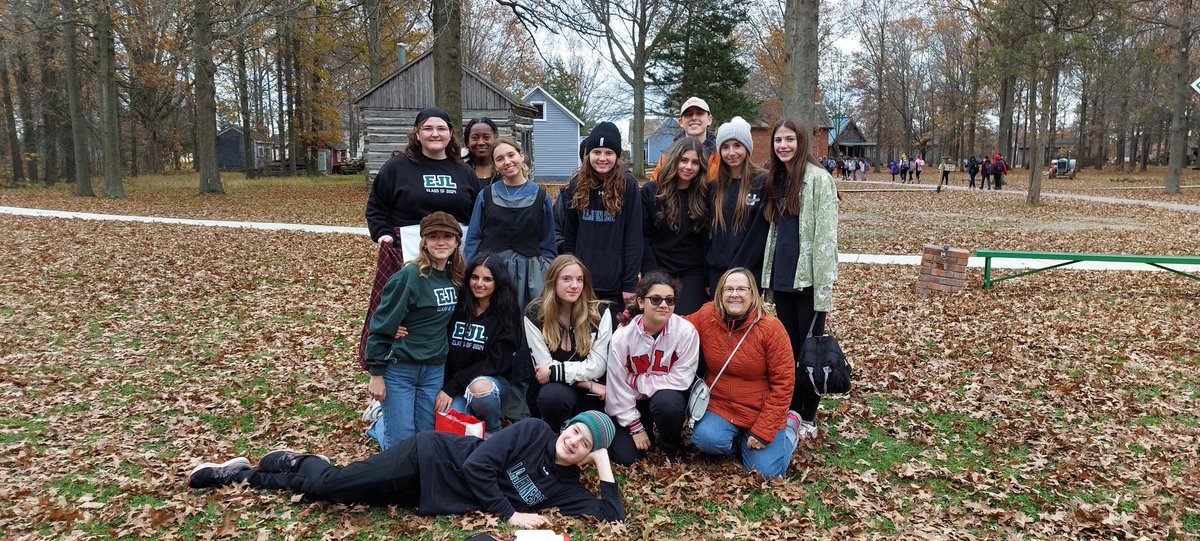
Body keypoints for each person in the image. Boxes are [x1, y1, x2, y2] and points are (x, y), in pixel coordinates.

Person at [186, 412, 625, 527]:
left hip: (426, 495)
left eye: (585, 445)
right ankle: (270, 467)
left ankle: (256, 469)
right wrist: (510, 514)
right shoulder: (532, 431)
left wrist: (604, 462)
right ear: (565, 427)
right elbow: (476, 466)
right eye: (575, 432)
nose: (573, 442)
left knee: (335, 493)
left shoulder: (566, 486)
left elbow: (611, 516)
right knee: (335, 486)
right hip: (427, 457)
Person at [359, 107, 480, 366]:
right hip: (408, 251)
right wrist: (382, 235)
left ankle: (447, 369)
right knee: (403, 314)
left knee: (449, 307)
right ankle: (389, 369)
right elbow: (376, 207)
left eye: (441, 128)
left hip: (455, 253)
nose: (434, 133)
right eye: (428, 128)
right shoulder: (397, 167)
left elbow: (475, 213)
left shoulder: (464, 171)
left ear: (450, 134)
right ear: (417, 133)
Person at [761, 118, 839, 439]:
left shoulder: (819, 180)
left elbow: (825, 237)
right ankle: (792, 410)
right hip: (783, 279)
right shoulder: (777, 180)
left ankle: (809, 416)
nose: (783, 146)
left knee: (811, 351)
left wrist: (823, 287)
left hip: (807, 281)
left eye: (789, 140)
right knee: (788, 350)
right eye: (778, 140)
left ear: (801, 142)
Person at [684, 268, 798, 479]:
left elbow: (784, 384)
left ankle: (790, 432)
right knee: (705, 440)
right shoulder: (708, 315)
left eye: (741, 289)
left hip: (760, 409)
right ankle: (736, 438)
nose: (734, 294)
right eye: (728, 289)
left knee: (765, 474)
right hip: (721, 405)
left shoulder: (771, 328)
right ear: (720, 294)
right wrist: (643, 320)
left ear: (753, 294)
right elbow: (679, 327)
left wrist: (763, 431)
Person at [365, 212, 466, 450]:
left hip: (433, 369)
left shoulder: (457, 278)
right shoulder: (410, 276)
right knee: (402, 442)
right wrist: (376, 374)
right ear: (424, 243)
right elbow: (381, 323)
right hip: (402, 367)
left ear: (456, 242)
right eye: (433, 237)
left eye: (447, 236)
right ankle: (381, 423)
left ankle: (384, 422)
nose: (441, 242)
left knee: (426, 437)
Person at [605, 272, 699, 465]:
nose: (663, 305)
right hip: (632, 401)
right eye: (656, 299)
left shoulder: (686, 331)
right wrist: (635, 427)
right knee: (627, 457)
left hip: (666, 398)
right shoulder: (622, 338)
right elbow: (617, 386)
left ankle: (670, 447)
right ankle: (643, 427)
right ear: (641, 302)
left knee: (667, 402)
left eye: (670, 300)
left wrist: (636, 381)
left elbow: (682, 379)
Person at [463, 137, 556, 309]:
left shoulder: (541, 196)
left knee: (526, 322)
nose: (507, 162)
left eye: (511, 155)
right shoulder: (486, 195)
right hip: (493, 273)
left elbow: (548, 241)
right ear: (495, 165)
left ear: (521, 156)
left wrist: (547, 273)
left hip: (530, 275)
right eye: (499, 159)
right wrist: (471, 270)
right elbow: (474, 237)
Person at [559, 122, 643, 309]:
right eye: (597, 152)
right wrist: (570, 277)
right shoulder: (576, 185)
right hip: (582, 281)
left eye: (609, 153)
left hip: (616, 281)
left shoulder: (628, 186)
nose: (602, 158)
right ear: (588, 155)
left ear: (617, 156)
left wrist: (629, 284)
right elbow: (570, 236)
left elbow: (634, 237)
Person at [525, 255, 614, 431]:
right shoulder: (535, 314)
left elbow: (598, 366)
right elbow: (542, 369)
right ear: (553, 281)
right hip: (558, 392)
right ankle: (553, 436)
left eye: (579, 279)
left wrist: (554, 371)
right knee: (553, 396)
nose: (575, 285)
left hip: (591, 396)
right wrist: (588, 383)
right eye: (567, 279)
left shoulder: (599, 313)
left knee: (620, 453)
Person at [641, 137, 711, 315]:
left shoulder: (704, 195)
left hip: (691, 273)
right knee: (660, 322)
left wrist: (708, 279)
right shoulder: (652, 192)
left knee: (686, 324)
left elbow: (706, 242)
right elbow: (643, 238)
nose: (688, 167)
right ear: (674, 161)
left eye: (695, 162)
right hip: (658, 269)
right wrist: (653, 276)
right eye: (683, 160)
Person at [706, 116, 770, 291]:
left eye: (737, 146)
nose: (731, 152)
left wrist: (738, 271)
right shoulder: (714, 187)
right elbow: (710, 236)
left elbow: (759, 234)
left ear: (747, 148)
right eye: (725, 147)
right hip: (717, 273)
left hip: (748, 273)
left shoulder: (762, 183)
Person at [649, 96, 720, 182]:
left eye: (700, 113)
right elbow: (654, 188)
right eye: (688, 114)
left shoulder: (721, 154)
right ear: (681, 122)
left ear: (709, 119)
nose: (694, 117)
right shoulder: (668, 156)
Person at [464, 117, 502, 186]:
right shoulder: (460, 172)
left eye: (486, 137)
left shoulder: (505, 170)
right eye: (475, 138)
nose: (481, 143)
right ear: (467, 142)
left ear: (495, 139)